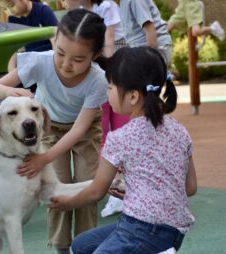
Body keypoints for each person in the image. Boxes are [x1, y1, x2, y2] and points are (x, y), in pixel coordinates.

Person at [49, 46, 197, 254]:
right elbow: (190, 187)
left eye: (110, 88)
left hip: (140, 230)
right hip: (172, 232)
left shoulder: (121, 137)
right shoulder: (180, 130)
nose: (107, 94)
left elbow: (96, 191)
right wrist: (138, 192)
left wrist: (67, 202)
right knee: (82, 245)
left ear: (133, 96)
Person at [0, 9, 108, 254]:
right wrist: (9, 92)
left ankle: (85, 246)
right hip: (50, 128)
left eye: (78, 59)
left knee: (88, 187)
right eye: (61, 53)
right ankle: (61, 247)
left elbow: (80, 129)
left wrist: (44, 158)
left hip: (83, 131)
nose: (66, 64)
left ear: (94, 55)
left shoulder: (98, 79)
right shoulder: (40, 62)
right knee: (57, 188)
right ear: (55, 42)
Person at [60, 0, 129, 217]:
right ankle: (113, 185)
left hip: (113, 70)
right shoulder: (78, 16)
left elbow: (109, 40)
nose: (63, 1)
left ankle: (122, 184)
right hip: (98, 73)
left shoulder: (105, 6)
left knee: (117, 128)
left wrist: (96, 65)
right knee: (102, 130)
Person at [0, 0, 59, 71]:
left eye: (11, 6)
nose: (10, 12)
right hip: (29, 60)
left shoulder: (43, 11)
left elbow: (56, 38)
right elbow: (13, 47)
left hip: (48, 57)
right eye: (5, 9)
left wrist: (56, 62)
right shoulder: (13, 18)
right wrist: (12, 71)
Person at [119, 0, 172, 66]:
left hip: (153, 47)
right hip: (140, 49)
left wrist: (149, 60)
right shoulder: (123, 2)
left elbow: (150, 30)